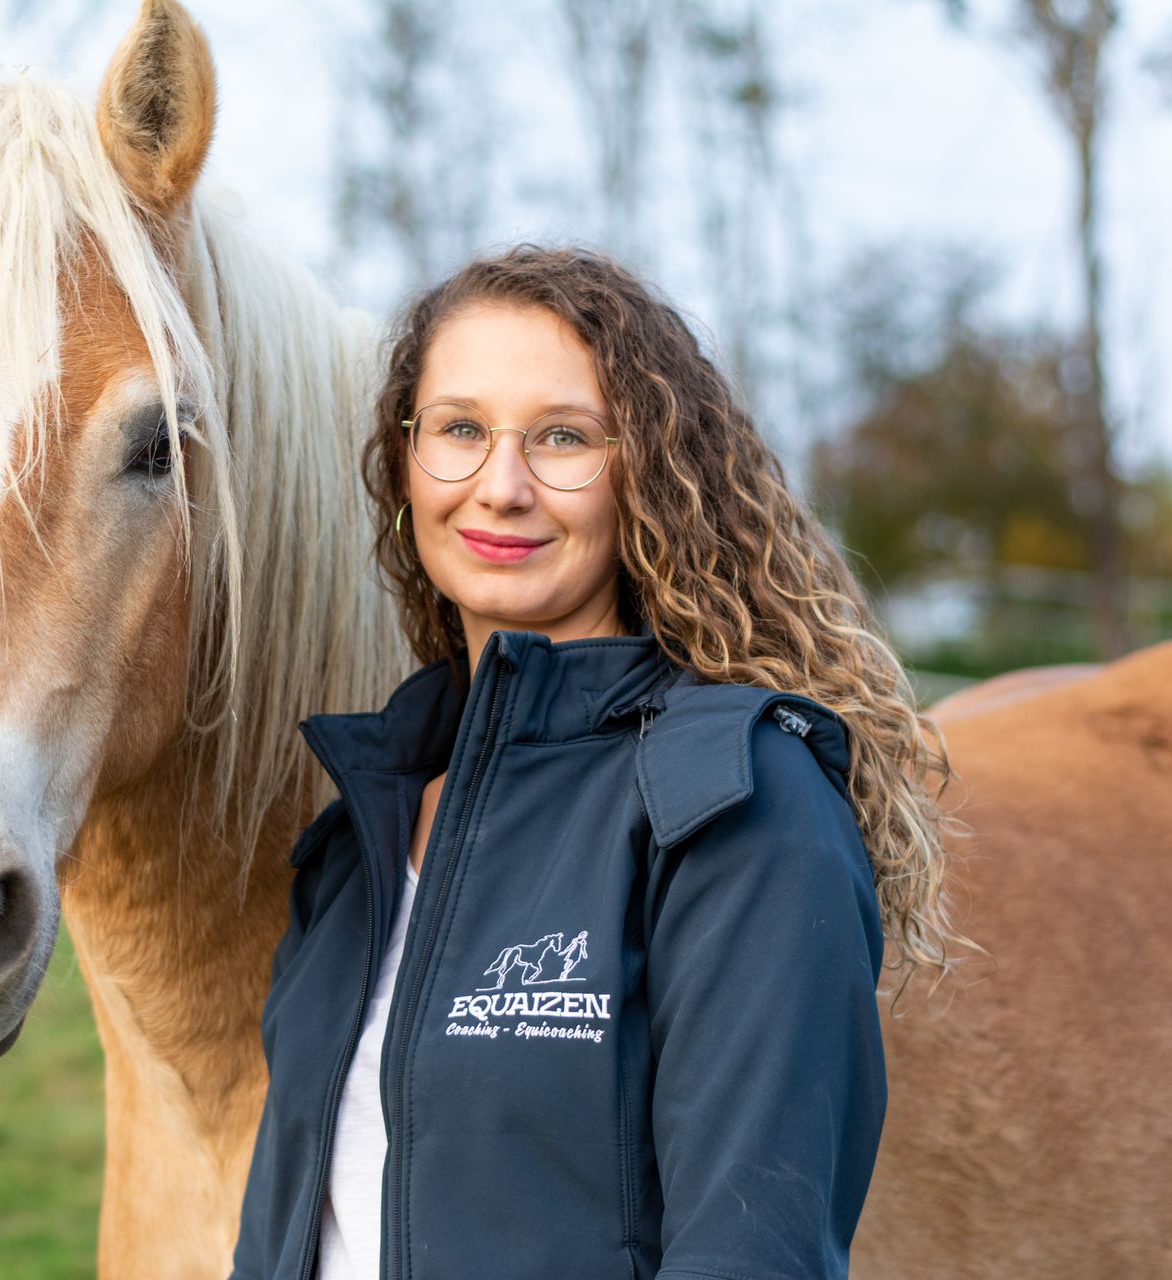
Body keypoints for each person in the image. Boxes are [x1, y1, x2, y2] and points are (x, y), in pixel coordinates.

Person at [227, 246, 959, 1280]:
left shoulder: (736, 800)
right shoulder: (363, 824)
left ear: (651, 472)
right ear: (406, 462)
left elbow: (752, 1253)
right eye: (461, 430)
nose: (502, 485)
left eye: (564, 437)